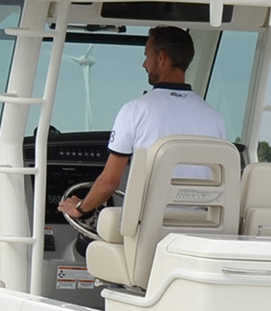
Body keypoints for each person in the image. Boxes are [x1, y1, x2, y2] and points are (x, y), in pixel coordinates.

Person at [58, 25, 228, 222]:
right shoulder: (215, 118)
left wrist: (81, 208)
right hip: (200, 229)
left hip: (150, 229)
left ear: (162, 57)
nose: (144, 64)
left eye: (147, 56)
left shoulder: (134, 111)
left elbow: (109, 183)